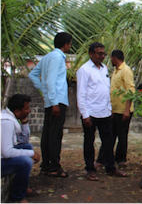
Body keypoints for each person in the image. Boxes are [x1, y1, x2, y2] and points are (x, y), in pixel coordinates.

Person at [76, 42, 128, 181]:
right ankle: (90, 169)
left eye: (104, 54)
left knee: (108, 141)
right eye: (99, 54)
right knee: (89, 142)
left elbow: (106, 89)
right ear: (91, 54)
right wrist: (85, 114)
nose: (102, 56)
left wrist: (109, 108)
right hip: (91, 112)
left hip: (104, 112)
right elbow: (81, 94)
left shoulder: (104, 68)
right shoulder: (84, 70)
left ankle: (110, 167)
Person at [28, 32, 72, 177]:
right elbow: (51, 80)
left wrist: (44, 91)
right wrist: (54, 102)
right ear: (65, 44)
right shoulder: (57, 57)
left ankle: (46, 165)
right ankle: (54, 166)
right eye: (70, 43)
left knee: (47, 133)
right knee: (54, 134)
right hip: (57, 100)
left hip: (51, 99)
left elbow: (33, 74)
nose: (70, 46)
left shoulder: (47, 57)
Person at [95, 50, 135, 168]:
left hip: (123, 110)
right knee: (109, 136)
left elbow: (130, 91)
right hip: (114, 110)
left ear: (114, 58)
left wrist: (127, 109)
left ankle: (121, 158)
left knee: (122, 136)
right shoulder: (115, 71)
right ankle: (102, 159)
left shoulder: (126, 70)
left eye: (110, 58)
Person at [0, 94, 41, 204]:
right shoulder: (7, 122)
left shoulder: (10, 118)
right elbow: (7, 152)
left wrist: (24, 122)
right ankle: (18, 197)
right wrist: (31, 153)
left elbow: (24, 141)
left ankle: (22, 187)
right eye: (26, 108)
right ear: (17, 111)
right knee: (25, 162)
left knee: (27, 147)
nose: (29, 110)